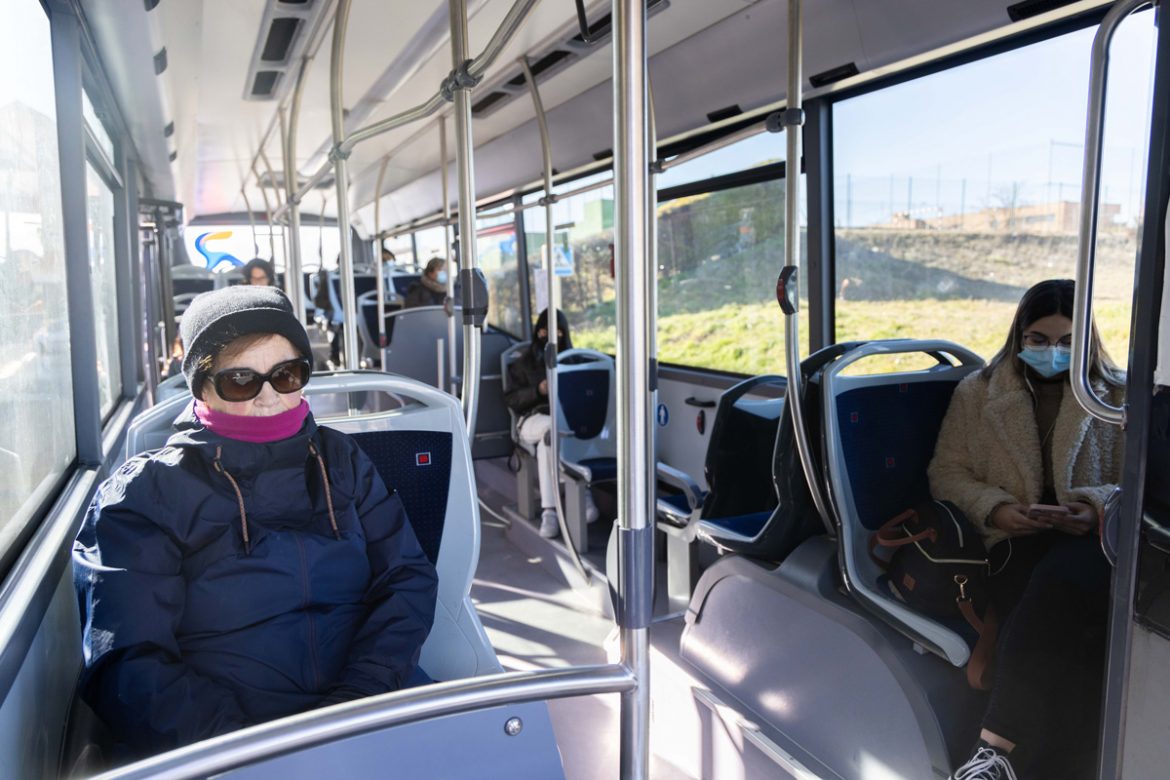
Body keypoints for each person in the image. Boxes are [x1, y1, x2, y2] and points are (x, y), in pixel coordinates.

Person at [73, 286, 438, 758]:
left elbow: (405, 577)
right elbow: (127, 658)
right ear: (201, 387)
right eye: (242, 381)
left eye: (286, 374)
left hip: (371, 702)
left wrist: (361, 698)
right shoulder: (145, 494)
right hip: (231, 737)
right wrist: (248, 749)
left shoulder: (341, 459)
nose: (268, 397)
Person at [930, 279, 1125, 780]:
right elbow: (947, 473)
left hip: (1088, 538)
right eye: (1039, 339)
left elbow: (1136, 481)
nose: (1052, 352)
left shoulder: (1117, 397)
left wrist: (1093, 507)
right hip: (1013, 539)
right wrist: (996, 509)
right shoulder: (978, 393)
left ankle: (995, 749)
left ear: (1086, 340)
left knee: (1063, 593)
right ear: (1020, 334)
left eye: (1066, 342)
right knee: (1057, 623)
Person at [503, 308, 599, 538]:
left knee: (551, 441)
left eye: (556, 332)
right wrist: (538, 390)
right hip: (532, 418)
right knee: (552, 430)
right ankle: (579, 495)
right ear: (539, 332)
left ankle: (551, 510)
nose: (550, 337)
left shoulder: (574, 360)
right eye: (545, 331)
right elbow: (513, 400)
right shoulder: (522, 364)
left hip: (564, 420)